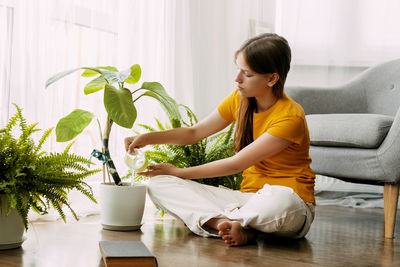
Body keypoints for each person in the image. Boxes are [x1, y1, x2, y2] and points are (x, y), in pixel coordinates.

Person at [124, 33, 315, 247]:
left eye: (247, 74)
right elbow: (194, 133)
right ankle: (227, 223)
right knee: (159, 184)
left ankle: (241, 224)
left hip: (289, 205)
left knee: (281, 201)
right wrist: (148, 138)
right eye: (238, 69)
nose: (237, 79)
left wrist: (179, 172)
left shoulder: (290, 116)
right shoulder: (240, 100)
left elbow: (237, 164)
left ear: (272, 78)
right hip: (247, 200)